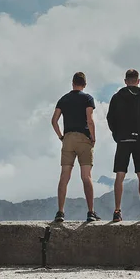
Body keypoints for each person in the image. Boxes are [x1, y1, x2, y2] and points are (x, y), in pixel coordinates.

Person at [106, 69, 140, 222]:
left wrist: (117, 135)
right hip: (139, 141)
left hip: (123, 141)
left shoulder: (116, 97)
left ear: (125, 80)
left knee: (120, 175)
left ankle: (117, 211)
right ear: (138, 81)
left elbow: (110, 118)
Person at [51, 72, 101, 222]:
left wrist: (61, 137)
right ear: (84, 84)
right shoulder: (87, 98)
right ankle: (91, 212)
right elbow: (89, 120)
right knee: (86, 176)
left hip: (68, 139)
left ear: (72, 83)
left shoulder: (63, 99)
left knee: (64, 175)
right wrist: (93, 137)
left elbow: (54, 121)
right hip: (83, 138)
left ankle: (60, 212)